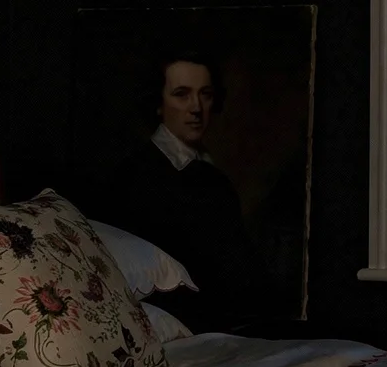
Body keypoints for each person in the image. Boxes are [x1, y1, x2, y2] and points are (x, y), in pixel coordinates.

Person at [93, 49, 261, 331]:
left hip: (224, 327)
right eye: (181, 94)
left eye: (205, 94)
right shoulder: (133, 177)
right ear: (158, 102)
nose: (196, 107)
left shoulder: (213, 176)